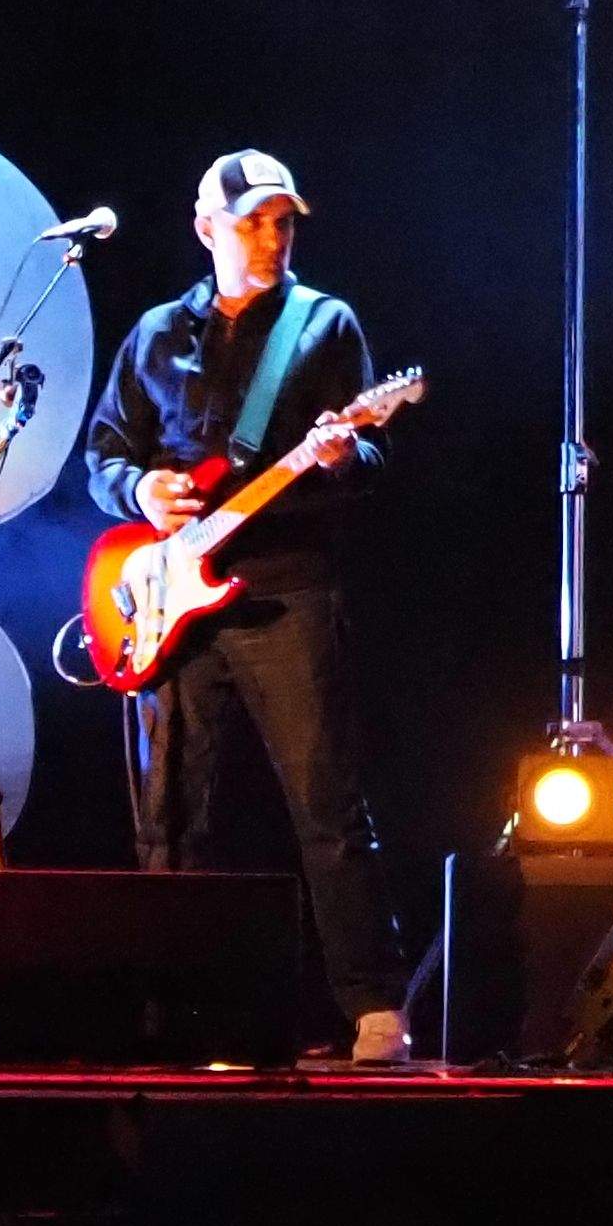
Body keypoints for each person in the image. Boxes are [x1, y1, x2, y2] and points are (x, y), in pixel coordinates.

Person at [80, 147, 411, 1065]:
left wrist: (350, 453)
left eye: (285, 221)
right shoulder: (153, 333)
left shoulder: (322, 324)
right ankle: (170, 1008)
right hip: (168, 599)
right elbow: (104, 456)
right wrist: (143, 492)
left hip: (286, 591)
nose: (274, 236)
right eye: (256, 220)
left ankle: (372, 1007)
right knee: (170, 816)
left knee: (326, 805)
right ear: (207, 228)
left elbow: (373, 466)